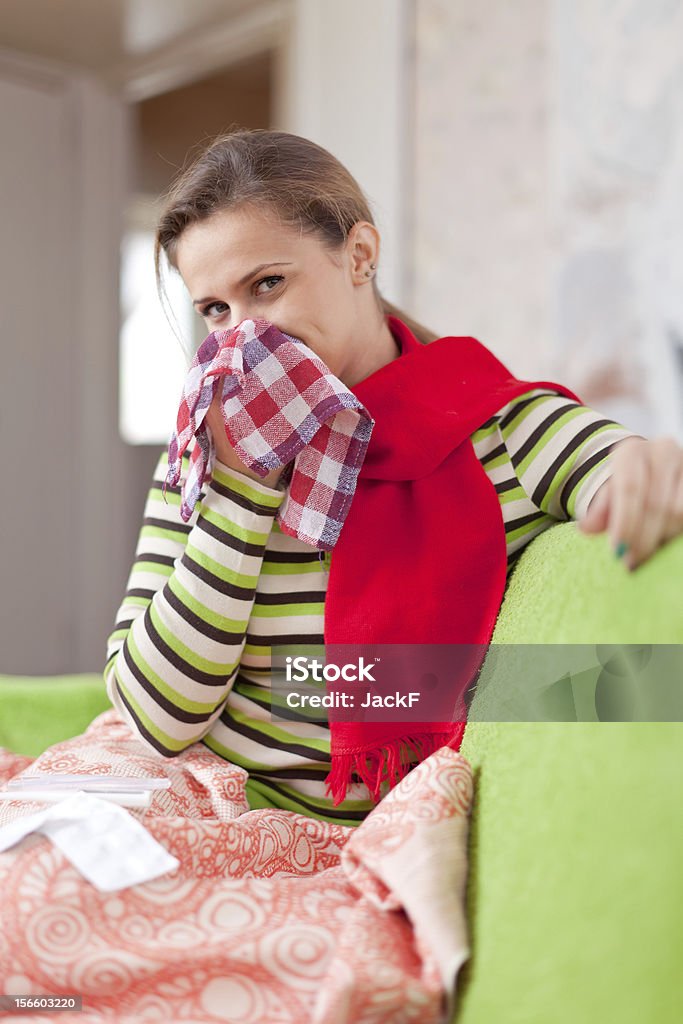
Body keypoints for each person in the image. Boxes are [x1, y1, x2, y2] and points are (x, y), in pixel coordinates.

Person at [104, 129, 683, 826]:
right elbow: (153, 720)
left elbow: (617, 469)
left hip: (370, 837)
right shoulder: (204, 453)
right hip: (204, 801)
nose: (242, 336)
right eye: (216, 310)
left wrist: (645, 470)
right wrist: (242, 488)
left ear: (358, 255)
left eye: (267, 284)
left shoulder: (493, 425)